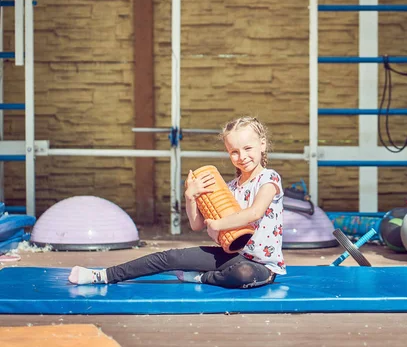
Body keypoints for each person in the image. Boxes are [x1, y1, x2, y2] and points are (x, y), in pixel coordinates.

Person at [68, 116, 286, 288]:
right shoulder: (228, 189)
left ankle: (202, 278)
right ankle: (102, 275)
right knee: (171, 257)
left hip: (261, 266)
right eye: (234, 152)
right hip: (231, 255)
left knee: (243, 274)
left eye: (248, 148)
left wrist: (219, 225)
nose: (242, 156)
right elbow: (197, 225)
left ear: (262, 145)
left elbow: (255, 212)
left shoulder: (269, 178)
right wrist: (190, 197)